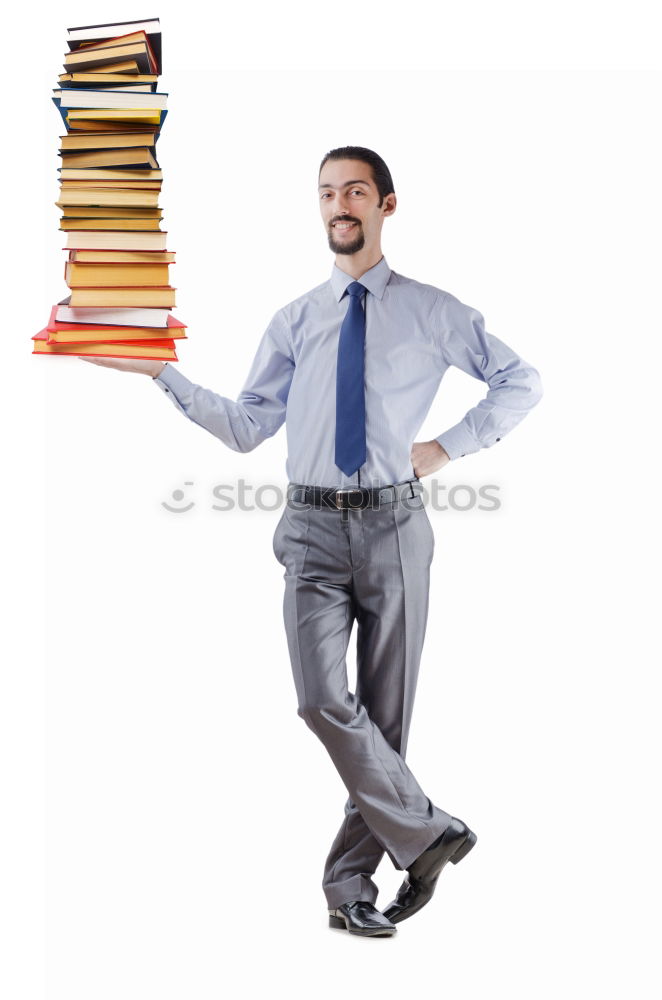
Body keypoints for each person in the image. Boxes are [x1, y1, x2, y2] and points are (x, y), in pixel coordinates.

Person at [80, 145, 543, 938]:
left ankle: (349, 888)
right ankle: (428, 829)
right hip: (311, 528)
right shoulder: (295, 318)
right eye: (327, 192)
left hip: (397, 523)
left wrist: (450, 447)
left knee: (387, 718)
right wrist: (160, 371)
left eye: (355, 191)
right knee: (324, 701)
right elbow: (247, 428)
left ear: (385, 206)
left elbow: (521, 380)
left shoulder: (434, 311)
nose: (340, 205)